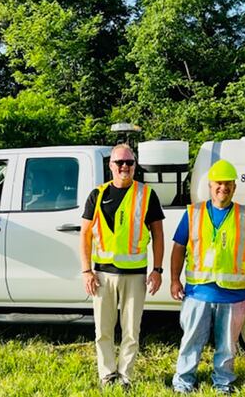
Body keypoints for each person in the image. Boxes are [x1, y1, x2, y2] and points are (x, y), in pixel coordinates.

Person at [170, 159, 245, 394]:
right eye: (219, 184)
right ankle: (183, 381)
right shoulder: (193, 213)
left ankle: (223, 382)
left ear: (234, 187)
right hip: (198, 291)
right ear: (210, 186)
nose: (224, 188)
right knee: (191, 340)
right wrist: (174, 279)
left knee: (228, 346)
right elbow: (178, 247)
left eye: (228, 184)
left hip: (233, 295)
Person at [79, 144, 165, 388]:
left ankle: (126, 376)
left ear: (135, 165)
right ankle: (107, 375)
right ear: (110, 165)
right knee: (103, 331)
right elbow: (85, 235)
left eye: (130, 162)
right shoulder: (97, 194)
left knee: (131, 332)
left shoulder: (147, 194)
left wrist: (157, 270)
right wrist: (86, 270)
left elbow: (158, 234)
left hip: (135, 276)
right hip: (102, 275)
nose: (125, 166)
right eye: (120, 162)